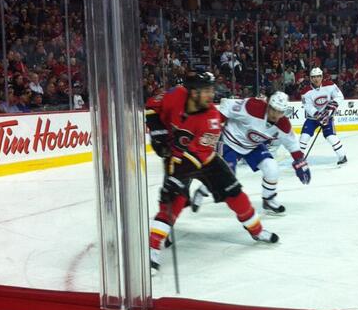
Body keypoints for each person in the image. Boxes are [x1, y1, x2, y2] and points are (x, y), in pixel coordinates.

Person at [146, 71, 278, 271]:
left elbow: (197, 155)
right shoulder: (175, 95)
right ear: (193, 92)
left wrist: (176, 178)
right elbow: (151, 107)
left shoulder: (212, 118)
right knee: (172, 202)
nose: (211, 95)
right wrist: (158, 134)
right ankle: (153, 249)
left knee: (236, 194)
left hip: (205, 160)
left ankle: (257, 231)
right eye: (206, 90)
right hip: (175, 156)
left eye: (211, 90)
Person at [192, 91, 311, 215]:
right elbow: (227, 105)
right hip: (229, 141)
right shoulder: (253, 107)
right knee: (226, 176)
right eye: (274, 109)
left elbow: (292, 144)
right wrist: (212, 126)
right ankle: (202, 191)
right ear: (268, 105)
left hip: (252, 146)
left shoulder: (283, 124)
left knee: (272, 168)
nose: (276, 115)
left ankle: (268, 199)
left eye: (280, 111)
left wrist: (300, 162)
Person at [299, 67, 347, 164]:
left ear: (321, 77)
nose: (316, 79)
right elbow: (307, 106)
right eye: (313, 77)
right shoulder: (305, 91)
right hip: (312, 118)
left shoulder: (330, 85)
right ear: (310, 78)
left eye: (318, 76)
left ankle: (342, 156)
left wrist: (331, 108)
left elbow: (339, 96)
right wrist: (318, 115)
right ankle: (298, 158)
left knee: (331, 136)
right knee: (304, 137)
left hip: (327, 117)